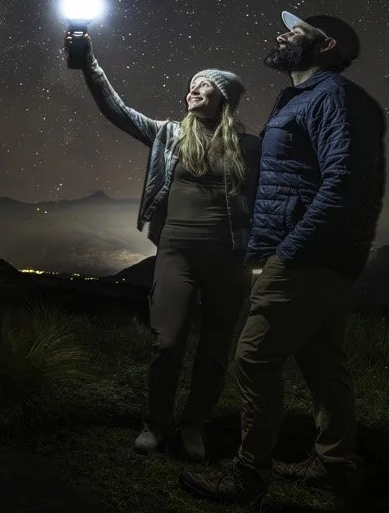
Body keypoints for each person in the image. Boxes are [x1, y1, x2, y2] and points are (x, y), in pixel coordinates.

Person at [181, 10, 386, 507]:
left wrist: (290, 250)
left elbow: (345, 182)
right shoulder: (299, 98)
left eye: (294, 31)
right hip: (317, 251)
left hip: (308, 253)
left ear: (325, 44)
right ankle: (335, 464)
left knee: (253, 356)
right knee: (322, 361)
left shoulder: (335, 97)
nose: (281, 35)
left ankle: (250, 474)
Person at [71, 31, 260, 461]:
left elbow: (268, 194)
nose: (191, 89)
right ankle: (156, 423)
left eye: (203, 85)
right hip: (177, 251)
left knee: (214, 350)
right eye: (191, 84)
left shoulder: (250, 147)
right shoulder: (168, 134)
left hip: (230, 258)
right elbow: (117, 111)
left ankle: (193, 425)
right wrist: (89, 65)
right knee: (168, 342)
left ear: (223, 98)